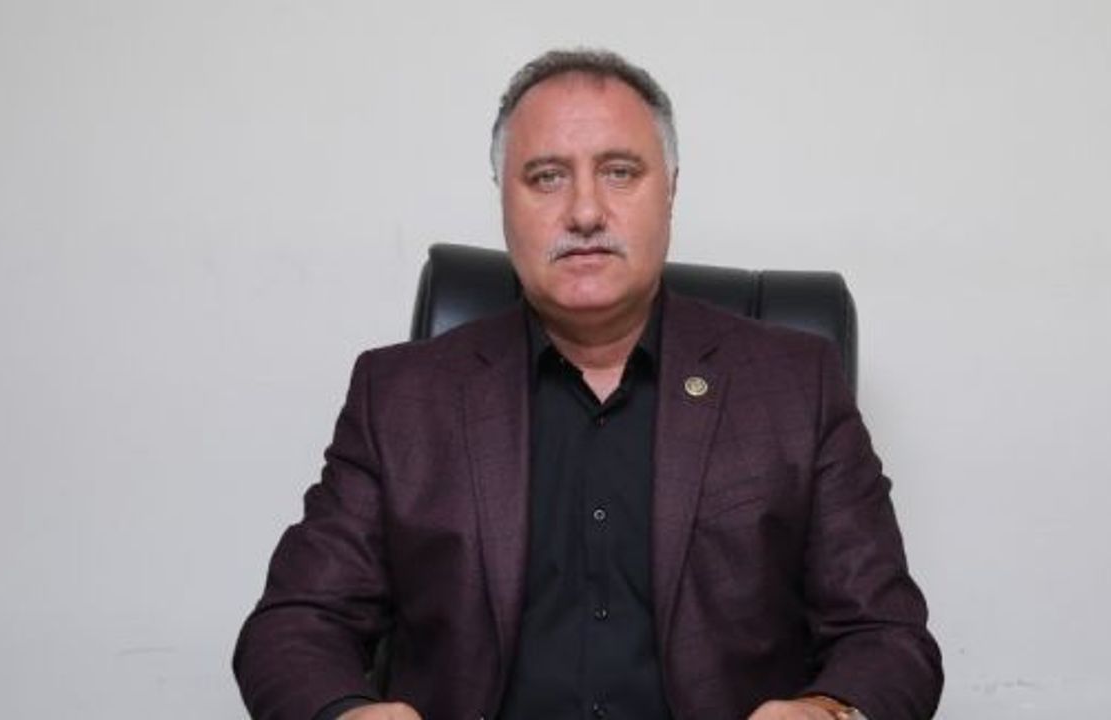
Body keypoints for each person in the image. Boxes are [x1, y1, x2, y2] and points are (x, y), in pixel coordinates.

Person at [234, 49, 942, 720]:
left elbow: (887, 635)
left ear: (671, 190)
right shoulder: (400, 397)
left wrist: (830, 710)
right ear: (503, 199)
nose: (584, 212)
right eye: (546, 177)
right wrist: (346, 711)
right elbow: (297, 622)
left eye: (620, 172)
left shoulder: (794, 385)